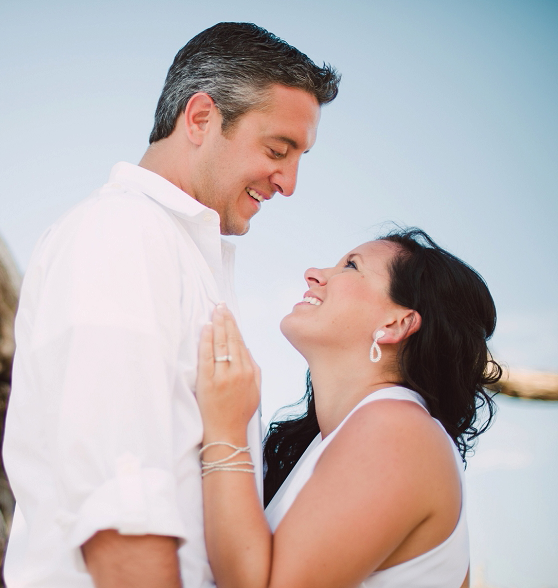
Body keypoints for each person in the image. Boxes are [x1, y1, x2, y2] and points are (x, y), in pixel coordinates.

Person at [2, 22, 340, 587]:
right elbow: (120, 503)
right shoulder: (122, 233)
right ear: (201, 118)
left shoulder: (183, 256)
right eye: (278, 150)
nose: (289, 183)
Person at [195, 228, 500, 588]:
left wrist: (227, 429)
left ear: (395, 323)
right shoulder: (341, 440)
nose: (314, 273)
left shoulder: (398, 431)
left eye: (351, 266)